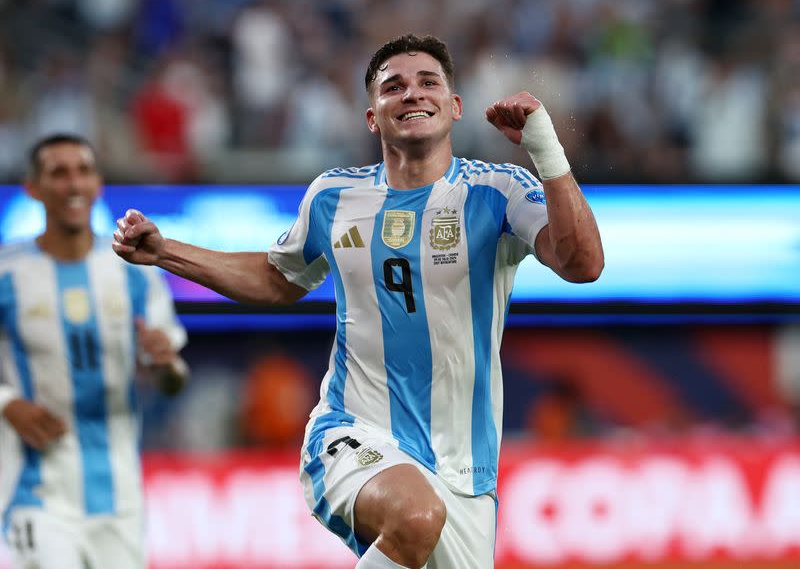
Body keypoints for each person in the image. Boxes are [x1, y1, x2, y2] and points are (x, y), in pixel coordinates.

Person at [112, 34, 604, 569]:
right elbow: (278, 279)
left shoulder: (499, 190)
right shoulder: (335, 197)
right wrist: (167, 252)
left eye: (428, 82)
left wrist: (545, 150)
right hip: (353, 432)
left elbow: (582, 264)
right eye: (393, 87)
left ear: (455, 106)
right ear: (373, 117)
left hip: (465, 470)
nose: (412, 94)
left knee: (422, 517)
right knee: (415, 515)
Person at [0, 134, 189, 569]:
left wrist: (164, 366)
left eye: (83, 171)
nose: (73, 185)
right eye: (59, 173)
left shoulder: (136, 273)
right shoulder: (9, 274)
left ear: (98, 183)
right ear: (33, 187)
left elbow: (174, 380)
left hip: (119, 496)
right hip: (36, 490)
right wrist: (8, 405)